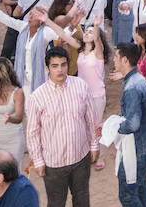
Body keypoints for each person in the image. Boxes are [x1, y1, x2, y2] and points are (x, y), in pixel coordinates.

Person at [26, 46, 99, 207]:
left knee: (82, 199)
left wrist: (94, 145)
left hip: (81, 156)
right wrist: (38, 161)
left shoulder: (81, 86)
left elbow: (91, 119)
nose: (60, 70)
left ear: (68, 65)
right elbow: (32, 132)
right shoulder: (37, 97)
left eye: (63, 64)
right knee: (56, 203)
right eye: (54, 66)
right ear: (47, 68)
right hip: (54, 164)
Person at [106, 42, 146, 207]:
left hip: (138, 150)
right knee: (141, 188)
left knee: (128, 196)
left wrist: (114, 128)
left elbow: (132, 124)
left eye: (116, 57)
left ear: (124, 60)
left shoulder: (131, 87)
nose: (113, 60)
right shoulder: (137, 80)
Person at [77, 20, 109, 170]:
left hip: (96, 95)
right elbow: (63, 34)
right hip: (82, 95)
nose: (87, 33)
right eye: (86, 31)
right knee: (83, 125)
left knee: (96, 125)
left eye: (90, 32)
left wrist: (96, 25)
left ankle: (100, 155)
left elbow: (97, 38)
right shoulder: (80, 51)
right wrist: (47, 20)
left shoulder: (98, 51)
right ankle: (89, 152)